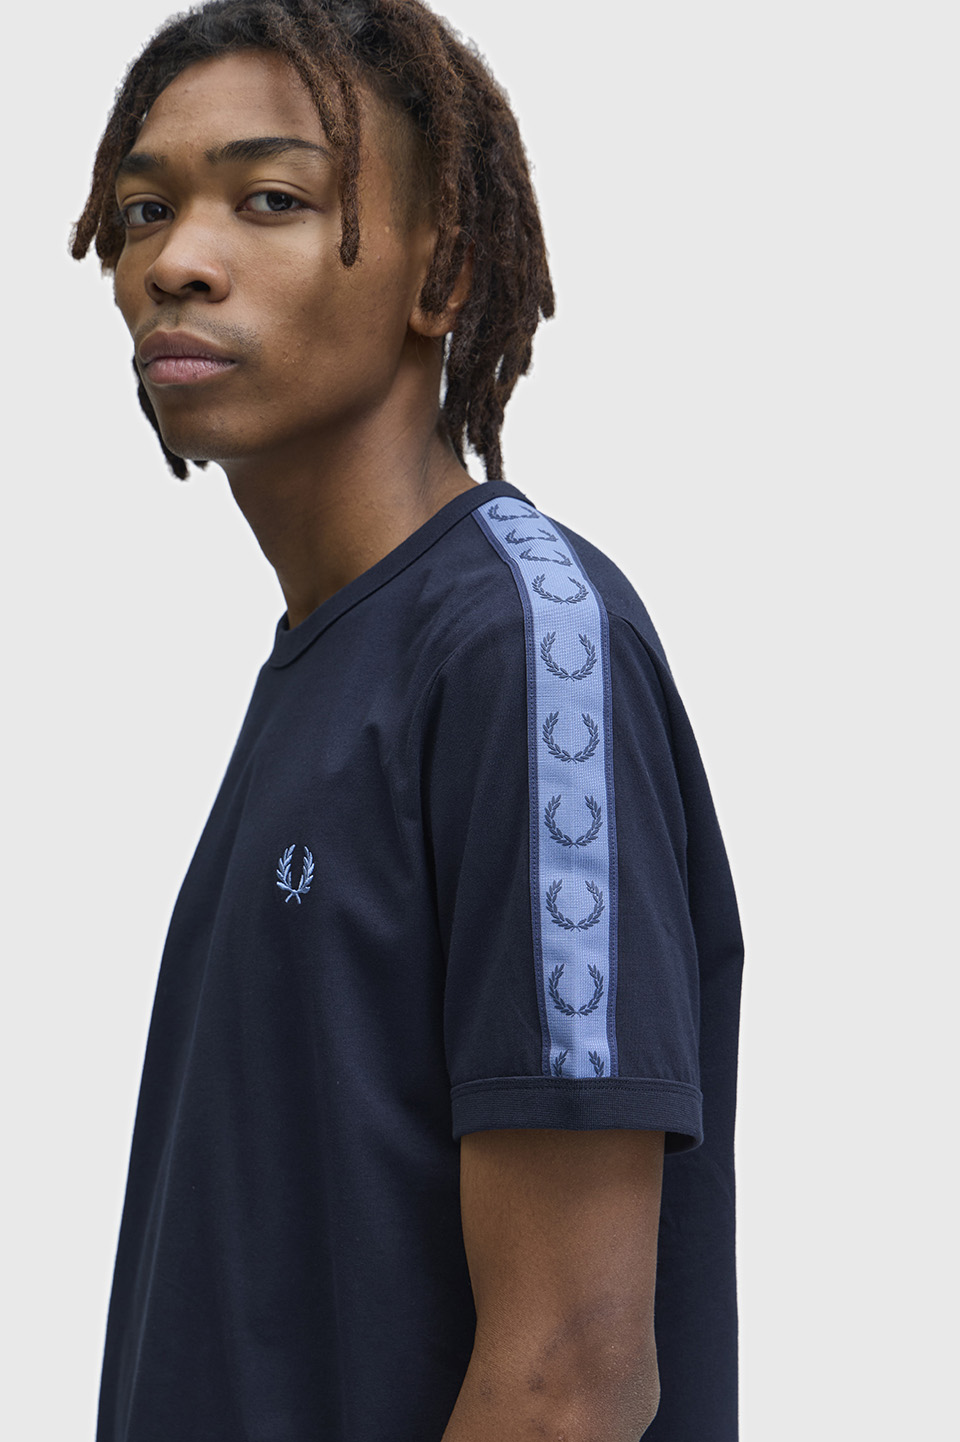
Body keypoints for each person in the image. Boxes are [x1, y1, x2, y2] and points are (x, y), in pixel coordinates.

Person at [72, 2, 745, 1438]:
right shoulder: (330, 656)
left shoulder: (522, 650)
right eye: (143, 209)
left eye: (272, 199)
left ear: (443, 271)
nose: (176, 260)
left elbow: (572, 1378)